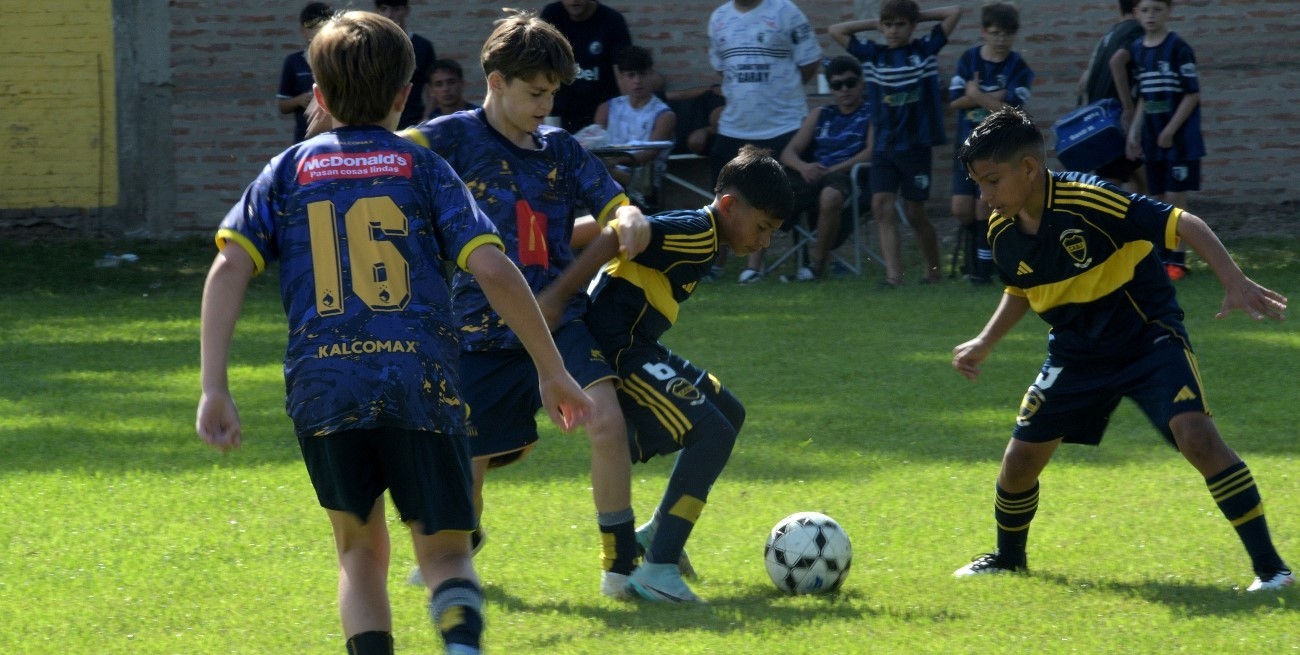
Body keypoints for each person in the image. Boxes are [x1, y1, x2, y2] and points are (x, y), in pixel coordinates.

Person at [196, 12, 594, 655]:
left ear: (319, 97)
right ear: (404, 95)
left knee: (359, 554)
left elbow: (228, 265)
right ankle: (461, 645)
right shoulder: (422, 167)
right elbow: (493, 267)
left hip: (325, 390)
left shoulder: (288, 170)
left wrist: (214, 386)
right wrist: (552, 369)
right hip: (422, 384)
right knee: (444, 555)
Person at [949, 107, 1294, 593]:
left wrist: (1234, 281)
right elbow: (1023, 288)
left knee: (1196, 437)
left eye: (991, 181)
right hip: (1074, 354)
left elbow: (1183, 221)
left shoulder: (1091, 199)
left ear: (1029, 169)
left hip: (1146, 339)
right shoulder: (1003, 232)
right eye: (978, 185)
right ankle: (1008, 559)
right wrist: (986, 341)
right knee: (1019, 462)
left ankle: (1271, 570)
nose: (984, 197)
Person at [400, 9, 652, 599]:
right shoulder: (450, 137)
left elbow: (615, 203)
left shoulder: (561, 148)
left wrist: (630, 215)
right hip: (479, 332)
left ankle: (621, 566)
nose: (546, 105)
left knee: (606, 422)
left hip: (558, 318)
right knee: (471, 463)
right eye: (535, 93)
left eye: (553, 94)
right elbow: (390, 152)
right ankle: (462, 542)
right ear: (496, 83)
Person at [536, 145, 795, 601]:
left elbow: (618, 233)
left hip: (638, 345)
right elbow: (616, 234)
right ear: (731, 206)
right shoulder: (697, 232)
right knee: (711, 432)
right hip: (616, 350)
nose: (764, 242)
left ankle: (658, 536)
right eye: (762, 228)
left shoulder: (705, 235)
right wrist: (558, 296)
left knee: (727, 412)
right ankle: (657, 569)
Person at [829, 1, 963, 289]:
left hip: (916, 146)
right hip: (884, 146)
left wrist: (915, 15)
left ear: (912, 26)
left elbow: (954, 12)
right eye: (888, 24)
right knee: (881, 205)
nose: (892, 30)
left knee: (915, 213)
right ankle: (894, 276)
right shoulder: (872, 54)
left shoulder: (924, 50)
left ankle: (934, 269)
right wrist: (876, 23)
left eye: (900, 24)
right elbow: (835, 29)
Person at [708, 0, 822, 284]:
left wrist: (777, 93)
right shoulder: (718, 18)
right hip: (734, 128)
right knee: (722, 199)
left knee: (779, 199)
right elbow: (724, 71)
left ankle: (768, 264)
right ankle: (713, 263)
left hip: (783, 126)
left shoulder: (787, 12)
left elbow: (809, 63)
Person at [1109, 0, 1200, 281]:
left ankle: (1177, 261)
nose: (1150, 15)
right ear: (1136, 14)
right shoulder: (1137, 51)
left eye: (1157, 9)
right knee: (1156, 198)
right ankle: (1161, 259)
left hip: (1180, 139)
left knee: (1175, 198)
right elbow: (1144, 100)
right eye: (1145, 10)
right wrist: (1134, 133)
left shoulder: (1179, 48)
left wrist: (1171, 129)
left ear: (1168, 12)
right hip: (1152, 137)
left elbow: (1192, 94)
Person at [948, 2, 1033, 285]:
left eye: (1006, 34)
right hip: (966, 147)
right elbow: (955, 101)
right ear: (983, 32)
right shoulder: (968, 59)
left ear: (1014, 35)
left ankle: (983, 270)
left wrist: (975, 92)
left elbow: (1012, 112)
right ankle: (983, 255)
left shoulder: (1018, 66)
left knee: (985, 206)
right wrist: (994, 96)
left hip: (998, 149)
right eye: (995, 33)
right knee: (962, 208)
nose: (1000, 39)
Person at [777, 55, 873, 282]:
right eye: (837, 85)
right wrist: (803, 167)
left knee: (830, 196)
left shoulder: (872, 112)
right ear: (831, 88)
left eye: (850, 83)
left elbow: (870, 152)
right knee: (766, 191)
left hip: (848, 174)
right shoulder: (820, 114)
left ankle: (816, 267)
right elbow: (788, 153)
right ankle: (753, 270)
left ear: (861, 84)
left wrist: (834, 169)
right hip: (814, 173)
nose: (844, 89)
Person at [593, 45, 677, 210]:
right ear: (622, 78)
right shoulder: (606, 108)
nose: (637, 81)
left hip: (642, 185)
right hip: (607, 178)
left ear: (651, 74)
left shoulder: (664, 116)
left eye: (642, 74)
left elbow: (648, 155)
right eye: (631, 75)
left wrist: (613, 162)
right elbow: (593, 142)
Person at [1075, 0, 1146, 192]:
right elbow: (1117, 63)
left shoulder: (1108, 35)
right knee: (1110, 189)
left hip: (1099, 120)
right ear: (1136, 9)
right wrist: (1129, 109)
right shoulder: (1136, 30)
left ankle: (1140, 221)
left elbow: (1083, 83)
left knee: (1145, 180)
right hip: (1114, 122)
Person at [540, 0, 632, 133]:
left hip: (602, 119)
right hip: (560, 116)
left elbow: (623, 72)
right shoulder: (552, 15)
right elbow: (538, 65)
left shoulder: (612, 21)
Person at [373, 0, 436, 129]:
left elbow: (433, 87)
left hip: (413, 120)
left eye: (396, 9)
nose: (389, 15)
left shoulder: (422, 46)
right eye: (383, 9)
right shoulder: (370, 45)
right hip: (376, 120)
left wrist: (426, 117)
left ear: (406, 10)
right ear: (377, 12)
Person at [276, 2, 333, 144]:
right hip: (304, 138)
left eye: (323, 27)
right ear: (303, 29)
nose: (317, 33)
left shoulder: (340, 60)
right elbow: (283, 105)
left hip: (335, 138)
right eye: (312, 28)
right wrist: (300, 100)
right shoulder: (294, 61)